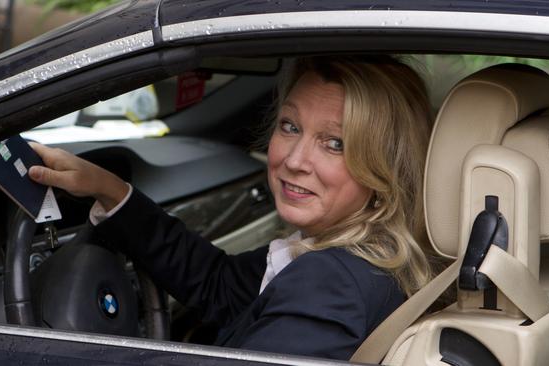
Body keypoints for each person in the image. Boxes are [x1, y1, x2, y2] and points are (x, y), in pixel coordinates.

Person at [27, 55, 435, 360]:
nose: (294, 160)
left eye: (335, 143)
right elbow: (219, 285)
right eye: (290, 126)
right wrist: (110, 190)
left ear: (383, 167)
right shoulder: (369, 255)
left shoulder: (331, 283)